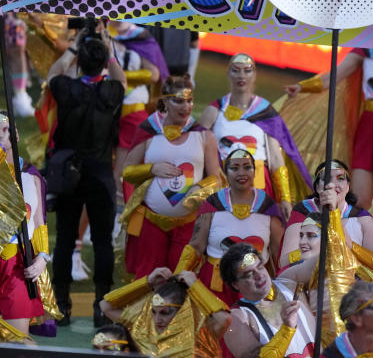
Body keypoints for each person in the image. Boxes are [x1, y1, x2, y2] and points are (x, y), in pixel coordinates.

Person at [47, 28, 126, 326]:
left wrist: (73, 48)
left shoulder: (67, 89)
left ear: (79, 61)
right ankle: (100, 307)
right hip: (101, 175)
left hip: (69, 173)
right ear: (105, 63)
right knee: (103, 242)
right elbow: (122, 79)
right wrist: (108, 46)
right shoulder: (110, 92)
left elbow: (54, 72)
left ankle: (62, 306)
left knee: (65, 240)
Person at [285, 48, 373, 208]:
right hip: (368, 128)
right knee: (359, 201)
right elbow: (332, 77)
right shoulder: (365, 50)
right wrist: (303, 87)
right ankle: (357, 232)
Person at [121, 76, 221, 279]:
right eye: (179, 101)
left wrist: (200, 190)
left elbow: (217, 179)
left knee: (183, 280)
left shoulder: (203, 135)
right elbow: (127, 172)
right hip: (151, 223)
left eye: (190, 100)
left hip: (189, 224)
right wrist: (152, 169)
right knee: (148, 280)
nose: (186, 106)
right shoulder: (149, 131)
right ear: (165, 102)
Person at [199, 53, 309, 220]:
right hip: (223, 185)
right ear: (228, 73)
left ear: (254, 74)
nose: (241, 76)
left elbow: (276, 157)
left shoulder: (265, 112)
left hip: (259, 185)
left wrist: (284, 198)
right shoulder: (214, 110)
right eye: (236, 70)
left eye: (247, 70)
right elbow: (195, 148)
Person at [177, 147, 284, 305]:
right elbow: (196, 246)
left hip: (256, 285)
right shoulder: (212, 204)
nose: (241, 173)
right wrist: (177, 277)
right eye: (234, 168)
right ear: (225, 173)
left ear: (255, 172)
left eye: (247, 167)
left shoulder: (268, 206)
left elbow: (278, 254)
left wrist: (285, 287)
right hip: (215, 287)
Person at [280, 159, 373, 282]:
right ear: (317, 186)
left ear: (348, 186)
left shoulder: (361, 217)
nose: (333, 184)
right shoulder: (303, 211)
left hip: (351, 286)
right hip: (308, 283)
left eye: (340, 178)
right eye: (326, 178)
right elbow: (284, 262)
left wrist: (351, 246)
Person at [99, 267, 230, 356]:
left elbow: (225, 319)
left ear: (182, 311)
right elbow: (106, 305)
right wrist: (147, 282)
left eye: (165, 312)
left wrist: (194, 284)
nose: (157, 320)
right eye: (154, 312)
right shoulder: (143, 325)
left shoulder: (200, 330)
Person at [0, 112, 50, 335]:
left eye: (5, 129)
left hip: (17, 263)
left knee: (18, 340)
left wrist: (42, 257)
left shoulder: (31, 175)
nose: (1, 135)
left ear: (16, 136)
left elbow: (39, 221)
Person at [221, 242, 317, 357]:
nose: (259, 276)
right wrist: (286, 329)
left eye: (260, 267)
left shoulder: (289, 284)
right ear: (235, 284)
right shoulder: (237, 318)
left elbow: (326, 260)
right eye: (249, 274)